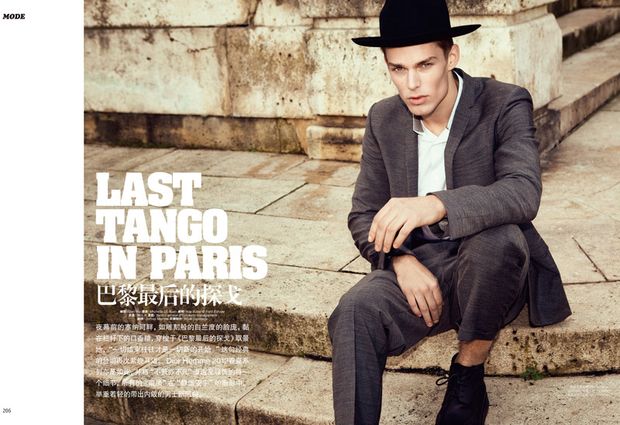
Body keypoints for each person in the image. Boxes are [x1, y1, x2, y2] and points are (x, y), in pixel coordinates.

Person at [327, 1, 572, 424]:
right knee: (353, 310)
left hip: (493, 267)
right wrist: (399, 259)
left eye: (425, 65)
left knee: (496, 241)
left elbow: (522, 192)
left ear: (451, 56)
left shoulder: (504, 102)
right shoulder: (383, 118)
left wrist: (433, 203)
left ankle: (468, 373)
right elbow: (364, 214)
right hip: (421, 266)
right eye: (398, 69)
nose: (412, 84)